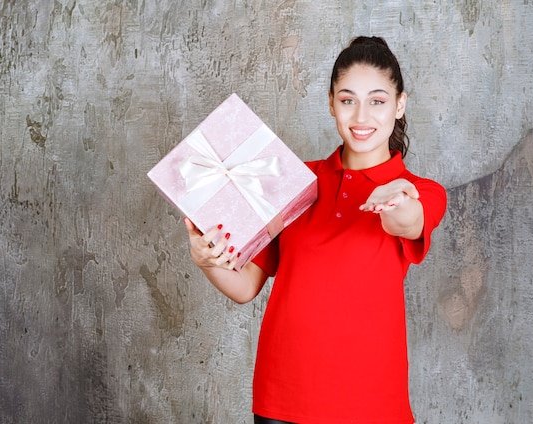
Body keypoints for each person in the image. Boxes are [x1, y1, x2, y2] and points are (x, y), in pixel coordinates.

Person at [184, 36, 447, 424]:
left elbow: (406, 221)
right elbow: (246, 286)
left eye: (377, 100)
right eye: (347, 100)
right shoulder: (292, 180)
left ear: (399, 105)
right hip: (282, 395)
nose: (361, 116)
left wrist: (395, 199)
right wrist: (205, 258)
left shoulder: (422, 192)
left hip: (370, 403)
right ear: (331, 104)